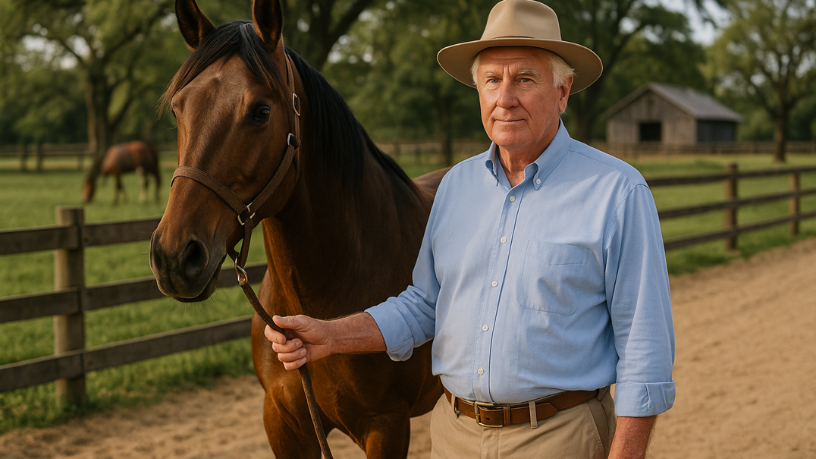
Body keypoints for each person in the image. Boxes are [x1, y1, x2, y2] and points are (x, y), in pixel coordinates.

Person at [265, 0, 675, 457]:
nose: (505, 99)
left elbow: (645, 348)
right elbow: (425, 306)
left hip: (560, 438)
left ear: (563, 91)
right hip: (454, 437)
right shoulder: (456, 187)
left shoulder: (616, 192)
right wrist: (331, 335)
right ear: (478, 91)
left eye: (524, 79)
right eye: (492, 81)